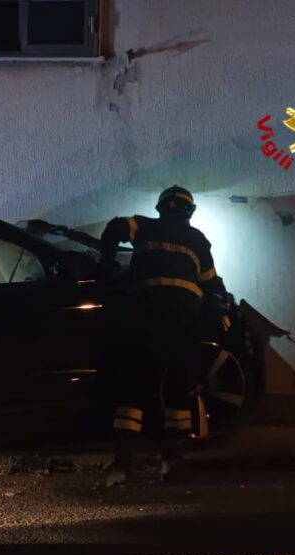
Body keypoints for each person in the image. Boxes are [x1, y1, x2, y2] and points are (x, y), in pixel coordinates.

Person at [98, 186, 229, 485]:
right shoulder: (198, 239)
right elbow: (211, 283)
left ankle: (123, 464)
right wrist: (223, 308)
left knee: (136, 382)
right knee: (178, 383)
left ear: (160, 208)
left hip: (145, 313)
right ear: (189, 212)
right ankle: (171, 461)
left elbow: (114, 228)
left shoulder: (144, 225)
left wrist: (106, 265)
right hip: (184, 319)